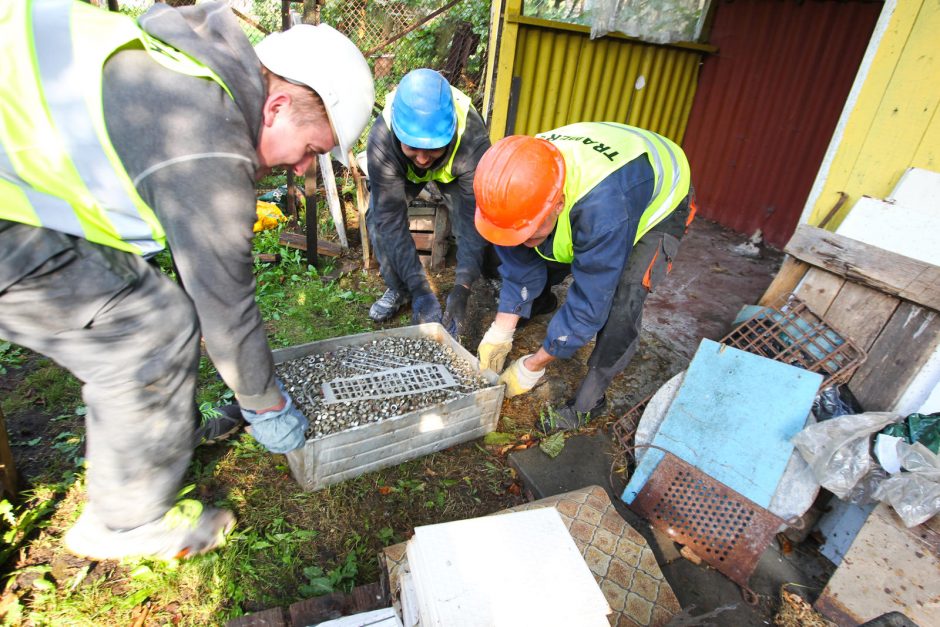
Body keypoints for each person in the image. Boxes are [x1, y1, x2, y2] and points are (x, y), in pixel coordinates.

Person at [0, 1, 374, 560]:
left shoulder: (192, 62)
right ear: (275, 107)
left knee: (151, 308)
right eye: (311, 151)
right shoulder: (207, 139)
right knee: (147, 329)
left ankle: (143, 444)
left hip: (25, 195)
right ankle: (124, 521)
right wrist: (264, 405)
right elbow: (225, 306)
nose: (302, 169)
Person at [473, 122, 695, 432]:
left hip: (657, 192)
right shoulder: (513, 185)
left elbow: (592, 297)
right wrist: (501, 331)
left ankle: (591, 399)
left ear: (559, 203)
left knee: (622, 299)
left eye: (527, 230)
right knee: (534, 247)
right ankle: (540, 303)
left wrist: (532, 366)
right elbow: (518, 264)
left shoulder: (604, 210)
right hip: (606, 171)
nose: (521, 239)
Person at [365, 68, 490, 336]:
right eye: (413, 147)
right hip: (401, 171)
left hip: (456, 169)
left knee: (480, 219)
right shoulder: (382, 140)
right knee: (377, 218)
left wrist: (462, 288)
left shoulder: (473, 139)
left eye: (432, 148)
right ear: (399, 135)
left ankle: (478, 282)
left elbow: (472, 219)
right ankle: (401, 289)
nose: (422, 159)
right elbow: (391, 221)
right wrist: (420, 288)